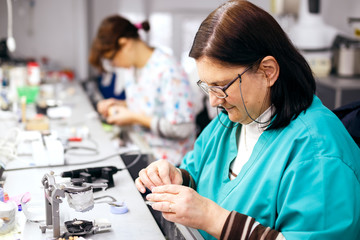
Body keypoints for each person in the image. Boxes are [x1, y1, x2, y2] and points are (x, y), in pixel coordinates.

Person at [135, 1, 360, 239]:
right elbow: (198, 172)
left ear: (268, 71)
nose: (213, 101)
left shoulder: (319, 152)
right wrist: (177, 177)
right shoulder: (231, 121)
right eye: (207, 87)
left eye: (221, 86)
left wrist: (214, 219)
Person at [89, 15, 196, 166]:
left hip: (169, 164)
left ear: (125, 44)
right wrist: (120, 105)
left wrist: (133, 117)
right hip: (142, 149)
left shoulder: (168, 70)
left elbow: (182, 128)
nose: (114, 65)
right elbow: (150, 104)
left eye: (112, 59)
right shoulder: (133, 68)